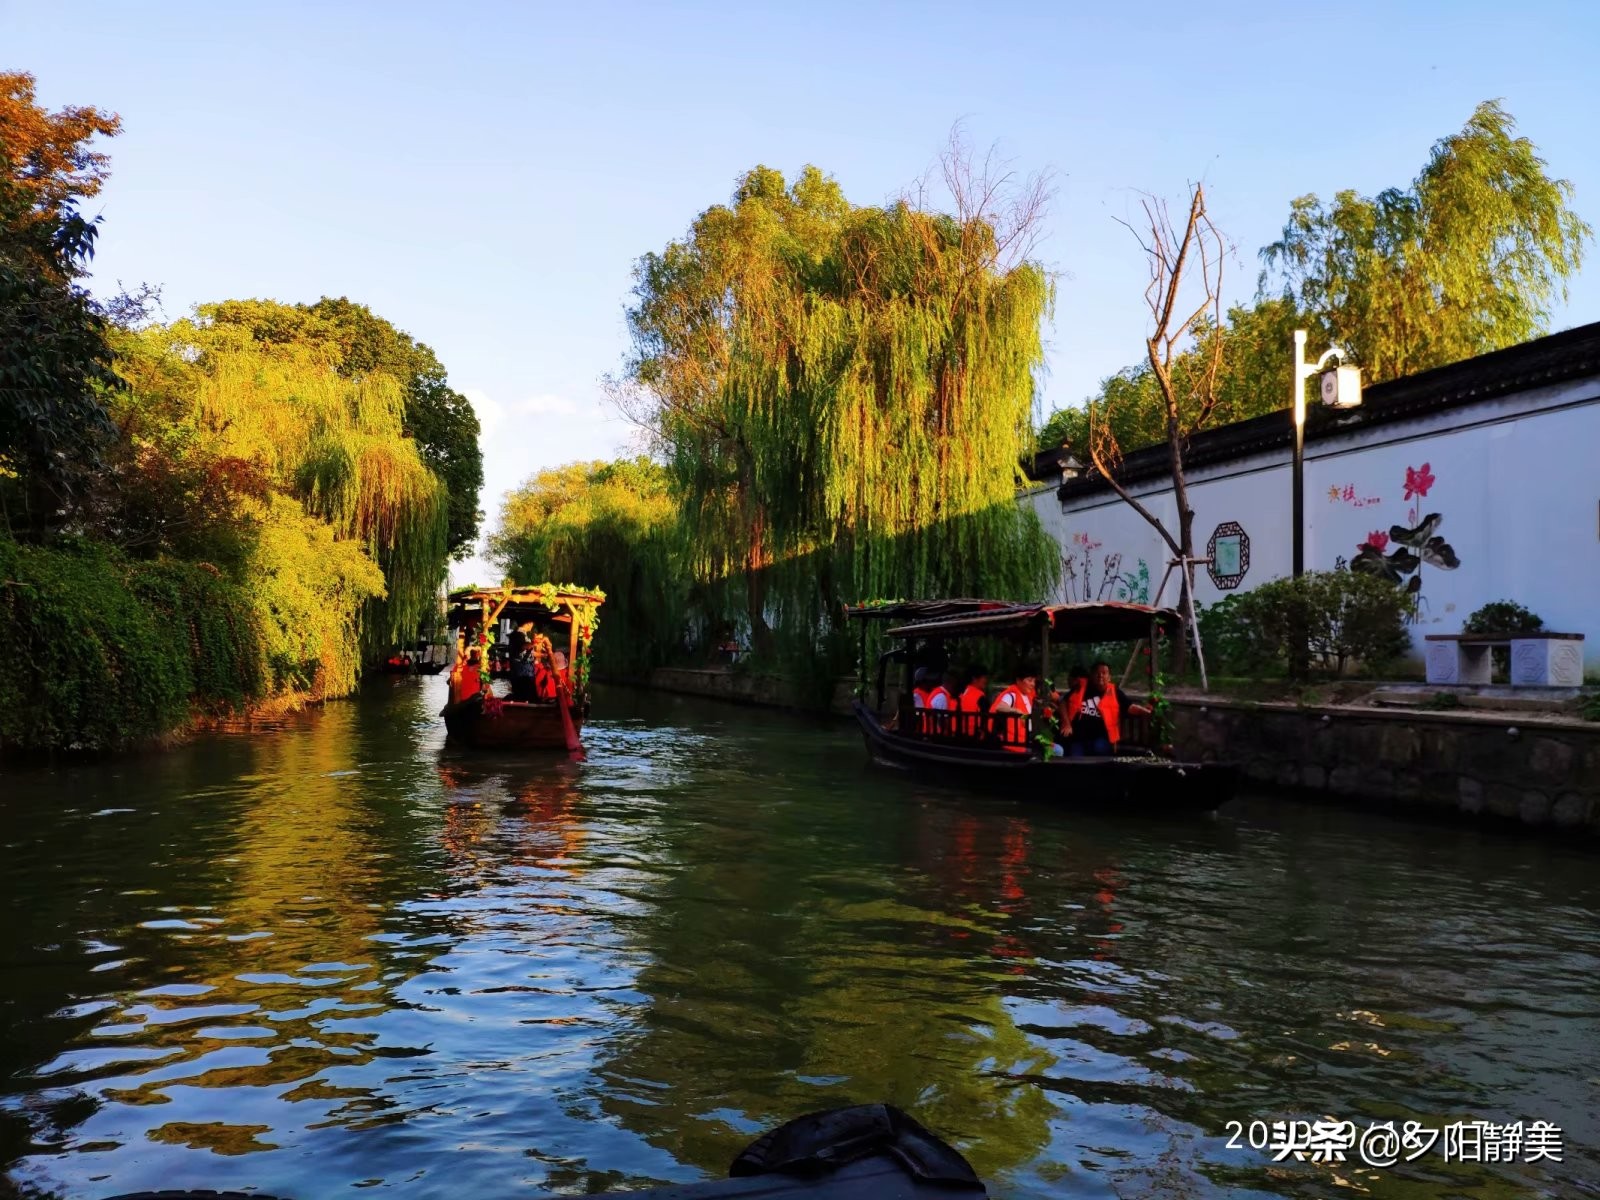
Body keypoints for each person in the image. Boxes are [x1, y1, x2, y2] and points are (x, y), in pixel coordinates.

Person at [1064, 660, 1151, 757]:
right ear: (1091, 676)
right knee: (1074, 758)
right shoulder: (1081, 688)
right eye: (1097, 673)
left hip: (1102, 739)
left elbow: (1130, 707)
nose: (1100, 676)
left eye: (1104, 673)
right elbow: (1062, 702)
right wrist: (1066, 723)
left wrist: (1146, 712)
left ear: (1109, 677)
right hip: (1078, 738)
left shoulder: (1115, 692)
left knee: (1099, 748)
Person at [987, 672, 1037, 753]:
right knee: (1057, 751)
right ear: (1018, 681)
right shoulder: (1011, 695)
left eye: (1034, 681)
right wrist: (1016, 710)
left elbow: (1025, 717)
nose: (1033, 684)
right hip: (1016, 742)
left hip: (1029, 738)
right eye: (1030, 680)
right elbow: (1000, 707)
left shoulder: (1028, 697)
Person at [957, 664, 989, 738]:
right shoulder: (980, 696)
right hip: (976, 736)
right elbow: (986, 718)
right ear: (974, 679)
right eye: (984, 677)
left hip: (962, 734)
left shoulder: (963, 693)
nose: (986, 680)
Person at [924, 668, 957, 737]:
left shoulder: (939, 692)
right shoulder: (942, 697)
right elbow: (943, 721)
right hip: (936, 735)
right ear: (951, 683)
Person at [509, 624, 536, 701]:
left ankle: (523, 701)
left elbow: (527, 651)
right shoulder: (518, 634)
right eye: (532, 623)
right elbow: (522, 647)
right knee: (524, 687)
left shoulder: (521, 634)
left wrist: (543, 654)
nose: (532, 626)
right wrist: (534, 642)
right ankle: (523, 704)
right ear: (529, 623)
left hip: (523, 666)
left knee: (524, 688)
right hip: (522, 667)